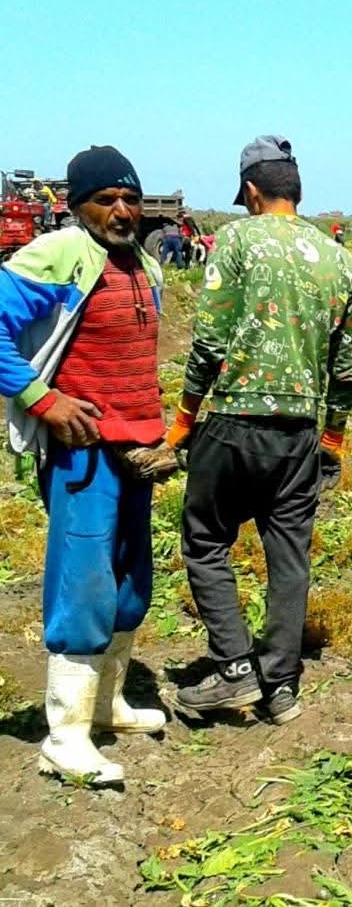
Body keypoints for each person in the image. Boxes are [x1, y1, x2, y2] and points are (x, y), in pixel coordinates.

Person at [167, 135, 352, 725]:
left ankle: (234, 669)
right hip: (300, 430)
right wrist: (331, 439)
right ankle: (280, 688)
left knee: (205, 542)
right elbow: (347, 365)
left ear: (251, 192)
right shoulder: (340, 258)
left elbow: (208, 341)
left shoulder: (234, 240)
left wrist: (181, 424)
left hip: (232, 422)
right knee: (289, 557)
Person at [0, 146, 167, 784]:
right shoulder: (59, 253)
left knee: (130, 578)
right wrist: (41, 398)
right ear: (77, 206)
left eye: (130, 198)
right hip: (83, 451)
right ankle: (64, 736)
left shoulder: (143, 263)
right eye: (106, 199)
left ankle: (106, 707)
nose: (122, 210)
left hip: (136, 449)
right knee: (85, 578)